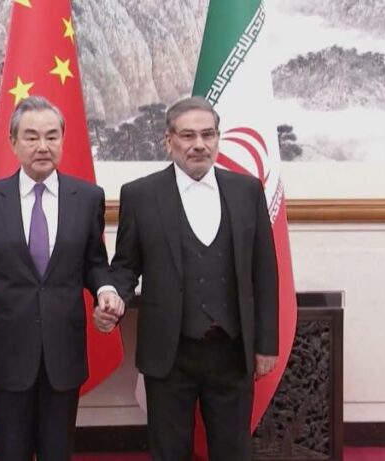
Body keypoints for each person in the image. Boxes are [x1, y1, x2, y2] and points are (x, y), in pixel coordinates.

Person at [94, 96, 279, 460]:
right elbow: (126, 265)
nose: (199, 144)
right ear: (169, 140)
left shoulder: (247, 191)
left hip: (231, 350)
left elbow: (264, 270)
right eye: (188, 135)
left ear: (218, 138)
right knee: (169, 452)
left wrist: (266, 343)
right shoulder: (140, 195)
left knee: (233, 451)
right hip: (169, 352)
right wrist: (112, 295)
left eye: (208, 134)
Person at [0, 96, 123, 461]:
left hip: (63, 351)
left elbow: (95, 263)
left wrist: (106, 289)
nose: (42, 146)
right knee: (11, 453)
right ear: (13, 143)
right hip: (9, 352)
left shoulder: (87, 198)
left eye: (51, 136)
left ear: (63, 139)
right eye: (31, 137)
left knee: (57, 452)